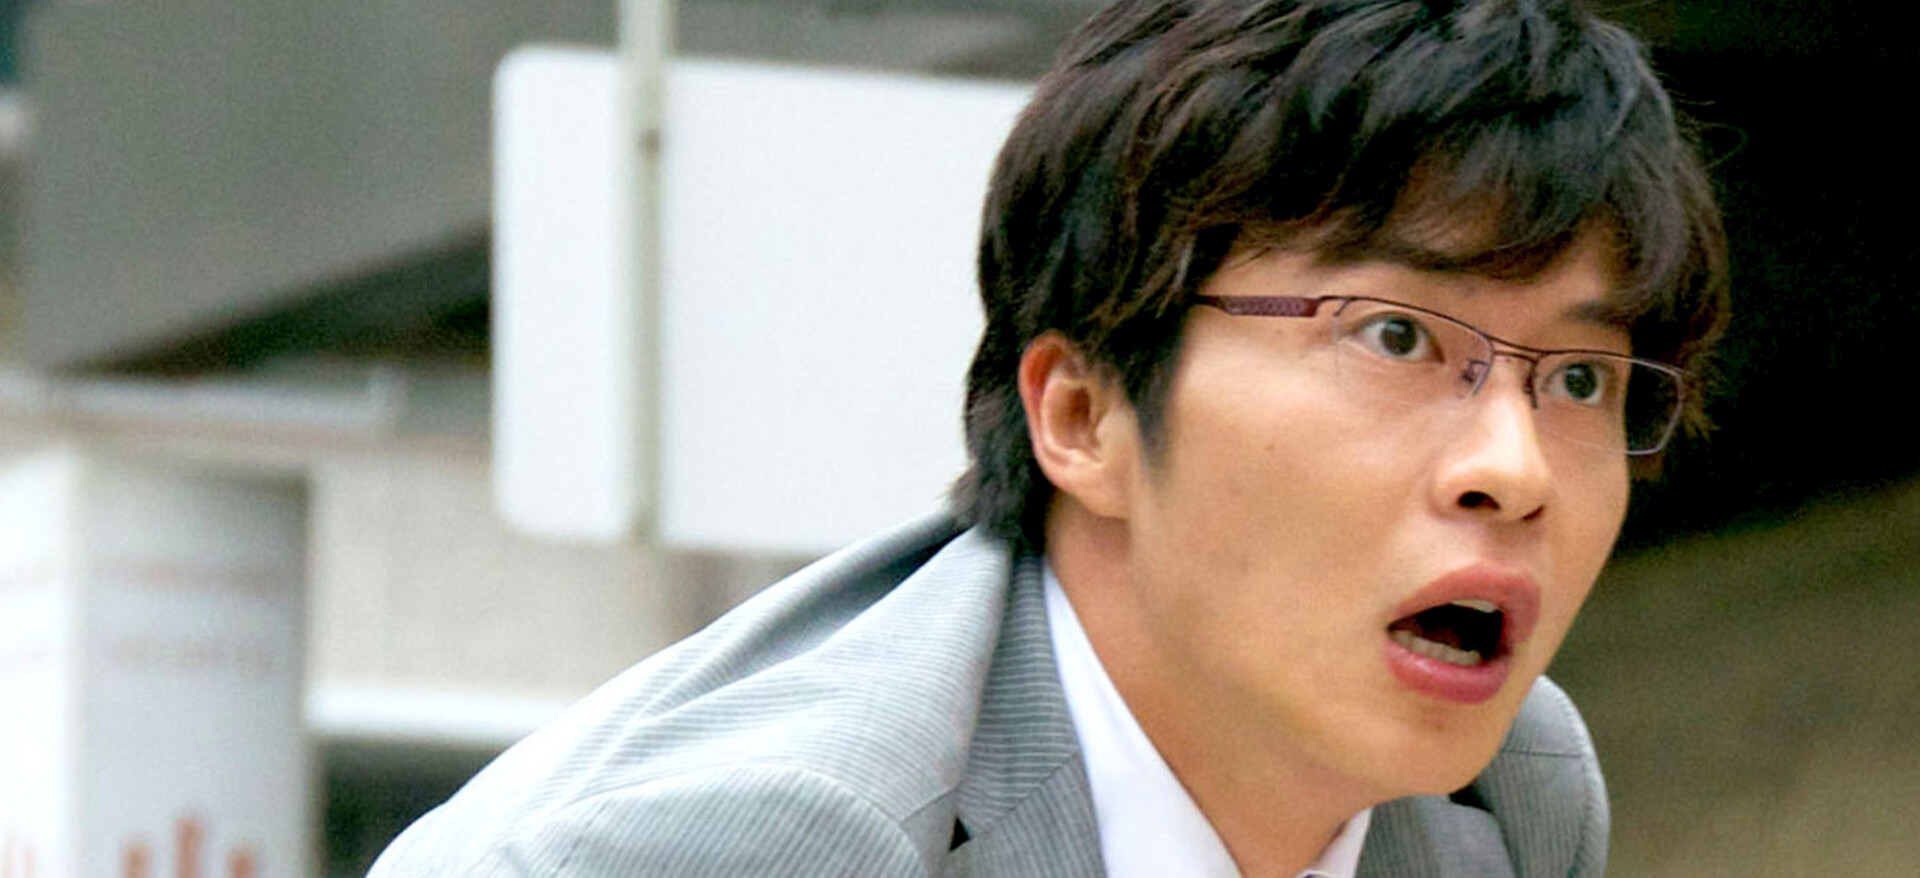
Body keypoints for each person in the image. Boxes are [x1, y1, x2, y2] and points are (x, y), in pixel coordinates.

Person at [370, 0, 1727, 874]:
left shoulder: (1507, 801)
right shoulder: (761, 842)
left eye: (1581, 378)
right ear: (1082, 415)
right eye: (1394, 337)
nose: (1513, 468)